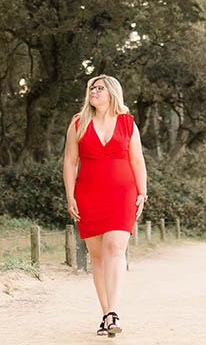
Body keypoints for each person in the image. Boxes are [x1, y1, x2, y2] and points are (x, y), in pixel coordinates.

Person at [63, 74, 147, 337]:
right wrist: (70, 195)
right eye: (91, 88)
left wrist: (143, 192)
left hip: (123, 193)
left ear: (112, 93)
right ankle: (106, 313)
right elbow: (69, 162)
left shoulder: (127, 122)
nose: (94, 92)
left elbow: (137, 160)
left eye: (99, 88)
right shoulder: (78, 123)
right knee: (97, 256)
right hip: (88, 195)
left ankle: (114, 312)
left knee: (115, 248)